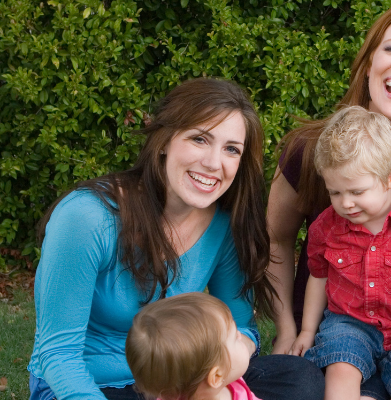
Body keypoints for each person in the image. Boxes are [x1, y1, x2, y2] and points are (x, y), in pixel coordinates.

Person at [28, 78, 324, 400]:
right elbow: (58, 354)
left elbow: (243, 329)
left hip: (187, 380)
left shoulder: (223, 226)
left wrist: (209, 381)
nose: (213, 163)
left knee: (299, 378)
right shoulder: (87, 217)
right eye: (199, 139)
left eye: (231, 149)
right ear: (165, 139)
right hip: (92, 385)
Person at [267, 0, 391, 356]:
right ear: (369, 62)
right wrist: (287, 328)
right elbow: (275, 239)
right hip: (323, 336)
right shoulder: (308, 149)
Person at [287, 106, 391, 400]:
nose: (346, 203)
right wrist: (307, 331)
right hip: (348, 323)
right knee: (341, 366)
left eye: (357, 192)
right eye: (335, 192)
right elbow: (318, 277)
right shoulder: (326, 226)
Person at [126, 292, 261, 400]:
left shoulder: (230, 383)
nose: (239, 335)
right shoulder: (236, 391)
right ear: (216, 376)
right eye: (234, 338)